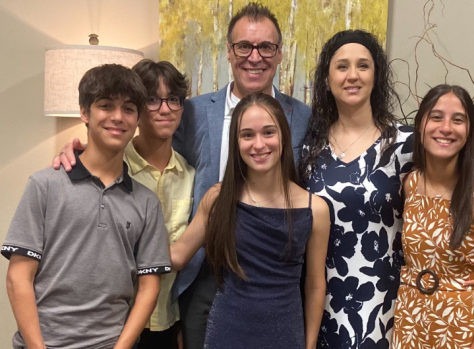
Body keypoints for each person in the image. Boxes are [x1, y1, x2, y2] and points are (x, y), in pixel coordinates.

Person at [52, 3, 311, 347]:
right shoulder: (193, 111)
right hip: (198, 273)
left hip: (271, 276)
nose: (255, 56)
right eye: (243, 47)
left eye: (266, 47)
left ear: (280, 54)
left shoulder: (304, 117)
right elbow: (141, 140)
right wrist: (85, 151)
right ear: (230, 53)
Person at [4, 64, 171, 349]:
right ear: (84, 112)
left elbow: (149, 286)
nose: (118, 117)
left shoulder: (146, 202)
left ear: (138, 118)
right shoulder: (45, 185)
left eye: (129, 108)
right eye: (106, 106)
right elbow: (18, 276)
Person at [169, 92, 330, 349]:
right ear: (236, 141)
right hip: (227, 333)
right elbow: (177, 255)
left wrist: (309, 345)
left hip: (285, 336)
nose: (258, 144)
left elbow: (314, 286)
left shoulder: (315, 209)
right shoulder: (218, 198)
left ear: (284, 137)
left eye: (268, 132)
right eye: (247, 135)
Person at [298, 29, 413, 347]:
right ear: (326, 78)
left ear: (376, 76)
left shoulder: (406, 145)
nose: (353, 75)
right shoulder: (307, 148)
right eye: (342, 66)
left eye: (363, 66)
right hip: (319, 301)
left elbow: (444, 205)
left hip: (386, 304)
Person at [392, 84, 474, 349]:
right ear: (420, 125)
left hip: (465, 330)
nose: (446, 128)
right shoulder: (411, 183)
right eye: (436, 117)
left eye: (458, 120)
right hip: (410, 325)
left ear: (469, 130)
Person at [127, 59, 194, 349]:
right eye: (152, 100)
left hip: (169, 322)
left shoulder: (192, 177)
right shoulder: (115, 170)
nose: (165, 109)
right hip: (116, 321)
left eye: (173, 100)